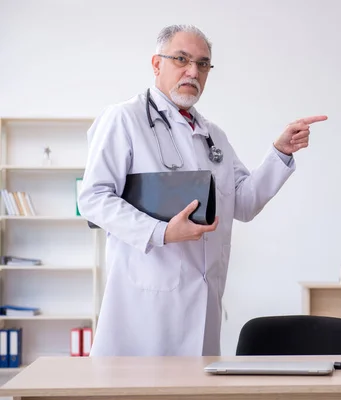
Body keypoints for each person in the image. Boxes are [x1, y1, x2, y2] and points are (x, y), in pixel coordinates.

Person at [77, 24, 327, 356]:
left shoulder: (213, 136)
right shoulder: (124, 119)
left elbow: (245, 203)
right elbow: (93, 199)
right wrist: (162, 231)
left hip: (204, 304)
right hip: (145, 306)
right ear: (156, 64)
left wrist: (281, 152)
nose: (193, 71)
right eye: (181, 59)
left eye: (203, 64)